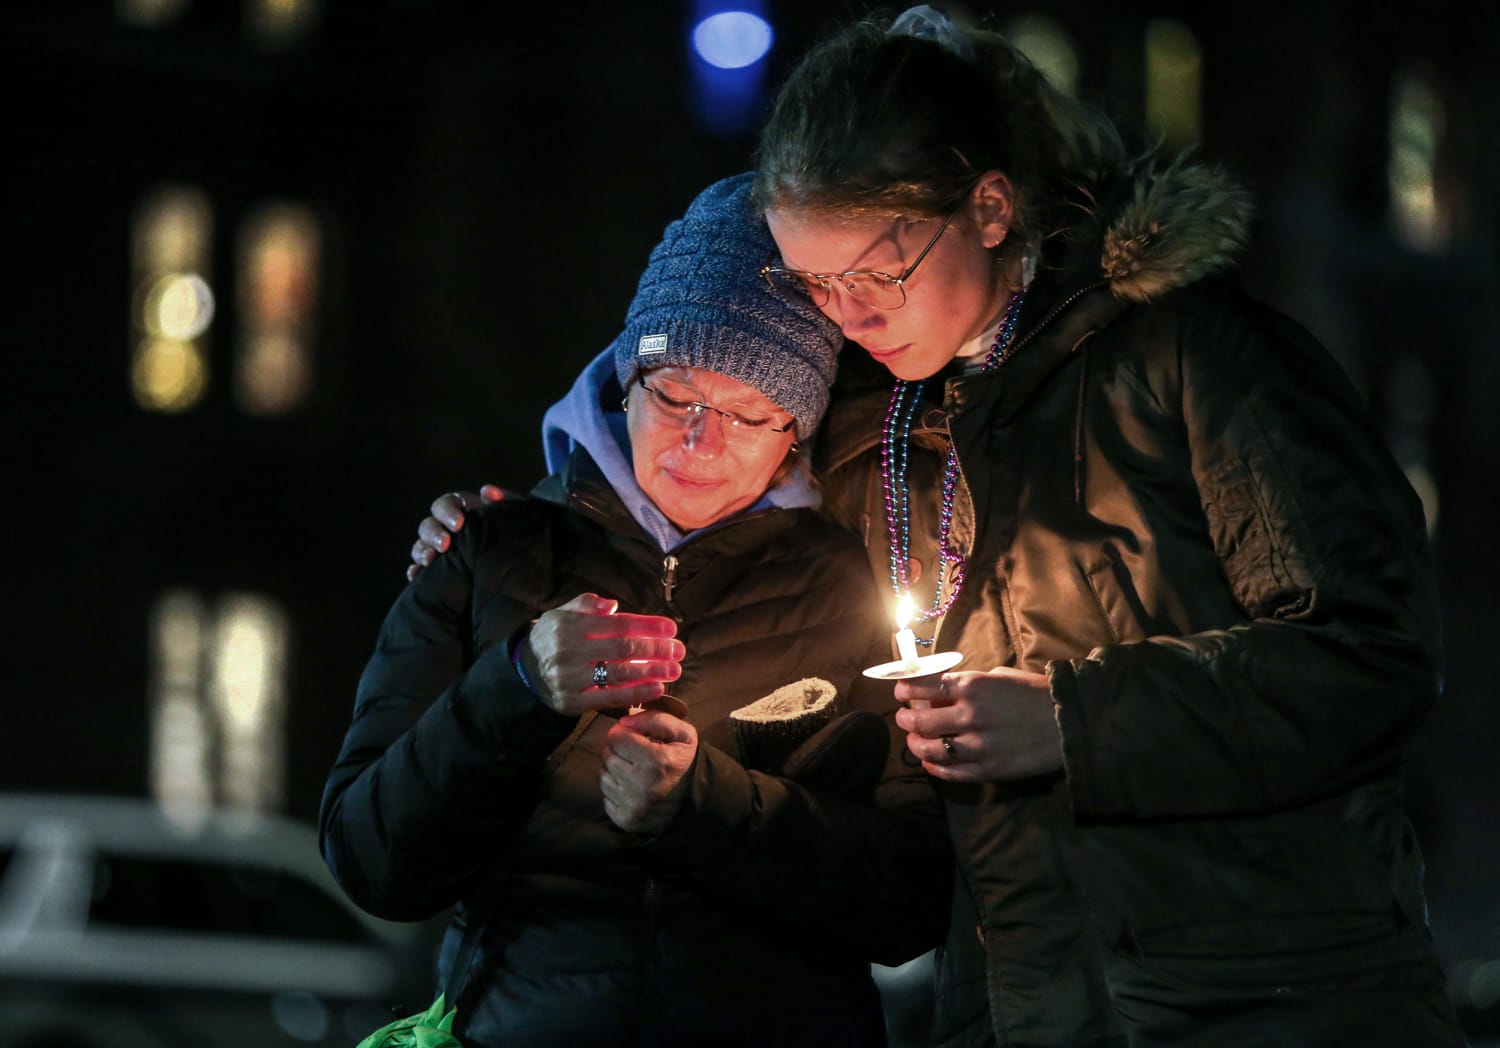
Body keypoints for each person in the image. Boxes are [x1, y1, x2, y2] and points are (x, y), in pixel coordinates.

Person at [413, 7, 1468, 1046]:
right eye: (818, 285)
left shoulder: (1196, 362)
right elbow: (685, 469)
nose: (853, 311)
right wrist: (519, 529)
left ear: (992, 209)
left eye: (877, 272)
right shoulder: (872, 424)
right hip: (1014, 1002)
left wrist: (1072, 718)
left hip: (1271, 998)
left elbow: (1372, 653)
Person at [322, 173, 951, 1048]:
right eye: (676, 395)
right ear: (626, 379)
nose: (701, 440)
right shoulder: (493, 551)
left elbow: (912, 904)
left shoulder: (858, 590)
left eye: (748, 412)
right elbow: (373, 862)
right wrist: (514, 690)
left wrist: (706, 806)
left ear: (796, 431)